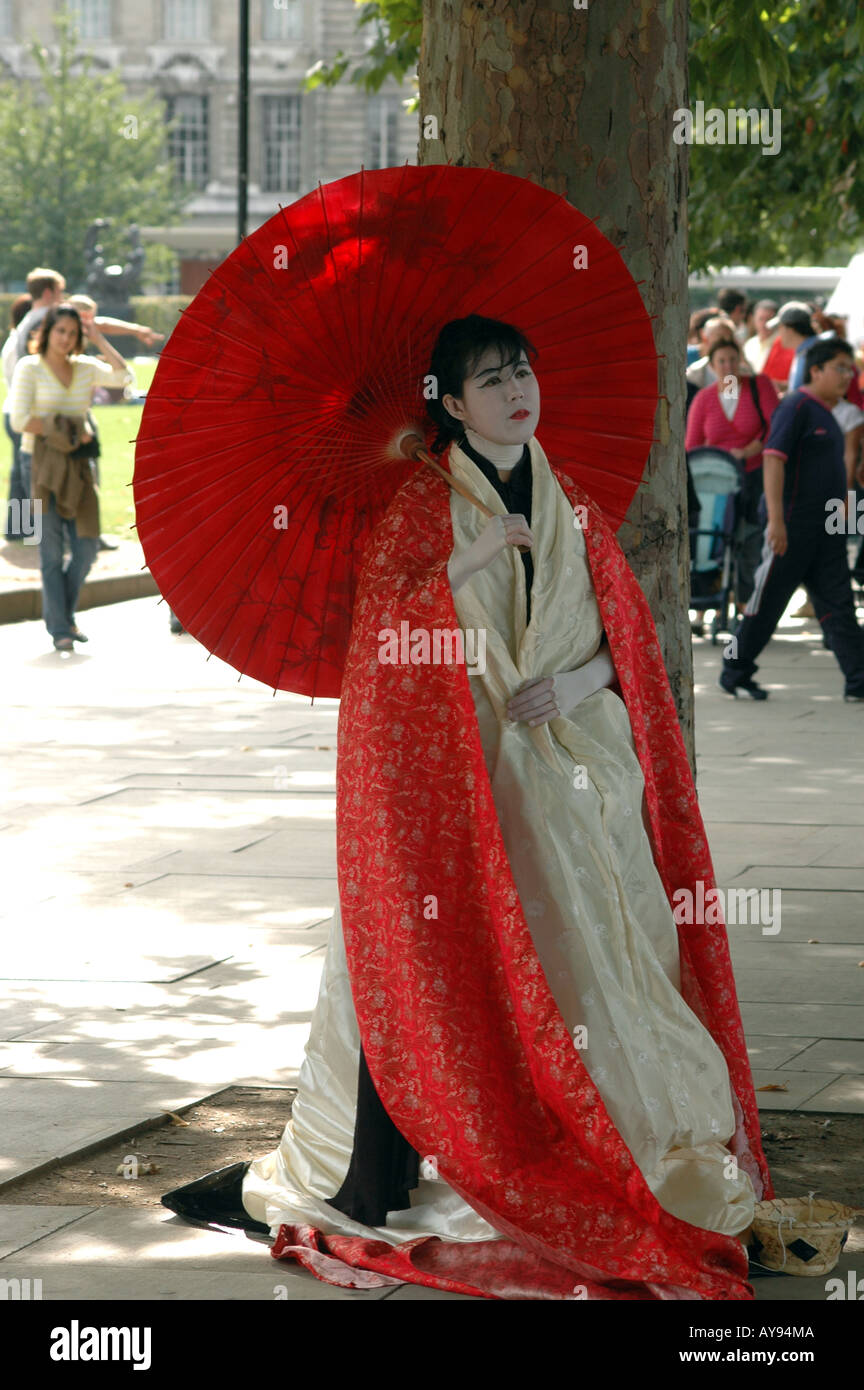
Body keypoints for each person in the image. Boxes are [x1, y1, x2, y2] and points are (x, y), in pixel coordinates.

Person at [163, 315, 771, 1301]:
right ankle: (404, 1160)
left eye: (522, 370)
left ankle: (603, 1136)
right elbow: (386, 639)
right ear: (449, 402)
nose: (517, 390)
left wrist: (572, 691)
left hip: (575, 773)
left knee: (599, 964)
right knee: (423, 959)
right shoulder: (418, 505)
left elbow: (624, 630)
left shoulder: (567, 490)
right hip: (462, 781)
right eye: (490, 380)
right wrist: (473, 556)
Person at [720, 337, 864, 701]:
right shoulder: (796, 406)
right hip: (792, 526)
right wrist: (777, 521)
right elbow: (772, 458)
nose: (848, 376)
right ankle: (733, 668)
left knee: (839, 605)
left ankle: (859, 680)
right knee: (765, 604)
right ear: (816, 370)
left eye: (851, 369)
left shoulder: (829, 414)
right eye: (840, 367)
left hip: (827, 529)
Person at [8, 304, 132, 651]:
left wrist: (100, 339)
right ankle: (61, 627)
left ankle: (62, 613)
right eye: (60, 331)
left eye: (73, 333)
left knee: (86, 547)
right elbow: (20, 421)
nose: (66, 339)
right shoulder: (29, 368)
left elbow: (124, 378)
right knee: (49, 551)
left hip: (78, 467)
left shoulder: (85, 368)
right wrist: (71, 428)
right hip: (39, 465)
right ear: (47, 332)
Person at [685, 338, 779, 609]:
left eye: (732, 359)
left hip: (755, 475)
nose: (728, 366)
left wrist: (753, 448)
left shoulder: (759, 387)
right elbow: (692, 446)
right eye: (721, 361)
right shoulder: (704, 398)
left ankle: (746, 601)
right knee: (710, 539)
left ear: (741, 361)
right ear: (712, 366)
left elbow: (777, 427)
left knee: (750, 538)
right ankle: (704, 602)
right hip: (716, 482)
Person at [2, 293, 34, 541]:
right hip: (20, 413)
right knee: (27, 474)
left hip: (12, 410)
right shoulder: (18, 346)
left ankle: (16, 528)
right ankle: (26, 527)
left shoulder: (12, 342)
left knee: (18, 473)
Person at [768, 301, 818, 394]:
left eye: (779, 328)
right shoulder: (805, 351)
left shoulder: (812, 353)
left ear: (789, 328)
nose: (779, 334)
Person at [743, 299, 779, 375]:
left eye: (768, 319)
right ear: (754, 319)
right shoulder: (749, 345)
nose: (764, 323)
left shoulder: (782, 344)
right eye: (761, 319)